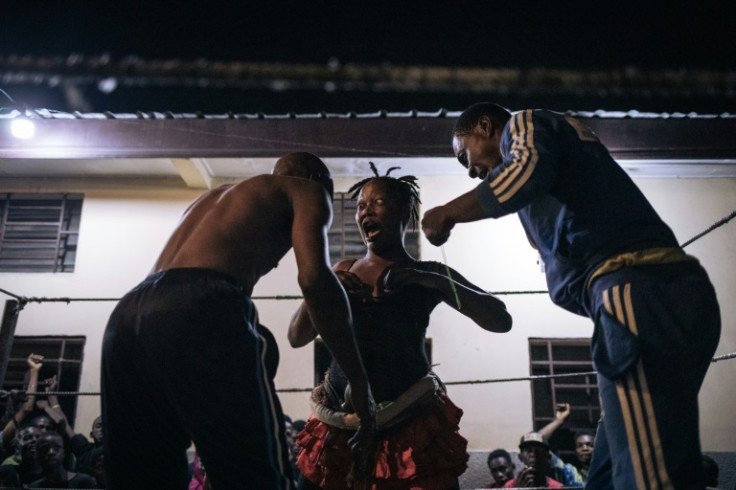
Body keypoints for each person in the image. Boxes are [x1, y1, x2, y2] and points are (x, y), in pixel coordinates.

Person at [422, 102, 721, 490]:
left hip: (636, 291)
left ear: (485, 126)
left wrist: (447, 212)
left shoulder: (523, 124)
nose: (469, 171)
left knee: (650, 475)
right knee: (611, 468)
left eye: (465, 154)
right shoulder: (561, 172)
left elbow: (525, 173)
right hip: (650, 297)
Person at [101, 152, 376, 490]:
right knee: (254, 475)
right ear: (318, 179)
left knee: (143, 473)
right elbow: (314, 282)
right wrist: (359, 384)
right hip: (201, 304)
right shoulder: (307, 191)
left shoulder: (213, 199)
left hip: (127, 314)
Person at [289, 164, 512, 489]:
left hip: (410, 422)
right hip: (340, 420)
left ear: (405, 212)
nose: (366, 210)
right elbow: (297, 336)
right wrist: (323, 288)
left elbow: (500, 320)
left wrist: (432, 280)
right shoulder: (341, 270)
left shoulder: (429, 273)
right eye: (361, 205)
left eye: (377, 202)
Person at [537, 403, 585, 487]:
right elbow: (536, 442)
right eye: (579, 445)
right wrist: (558, 421)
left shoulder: (607, 471)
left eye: (590, 445)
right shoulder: (571, 473)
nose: (585, 448)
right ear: (575, 450)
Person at [29, 431, 96, 488]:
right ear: (37, 456)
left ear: (63, 453)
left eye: (56, 448)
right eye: (45, 449)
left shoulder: (83, 482)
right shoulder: (35, 487)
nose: (51, 452)